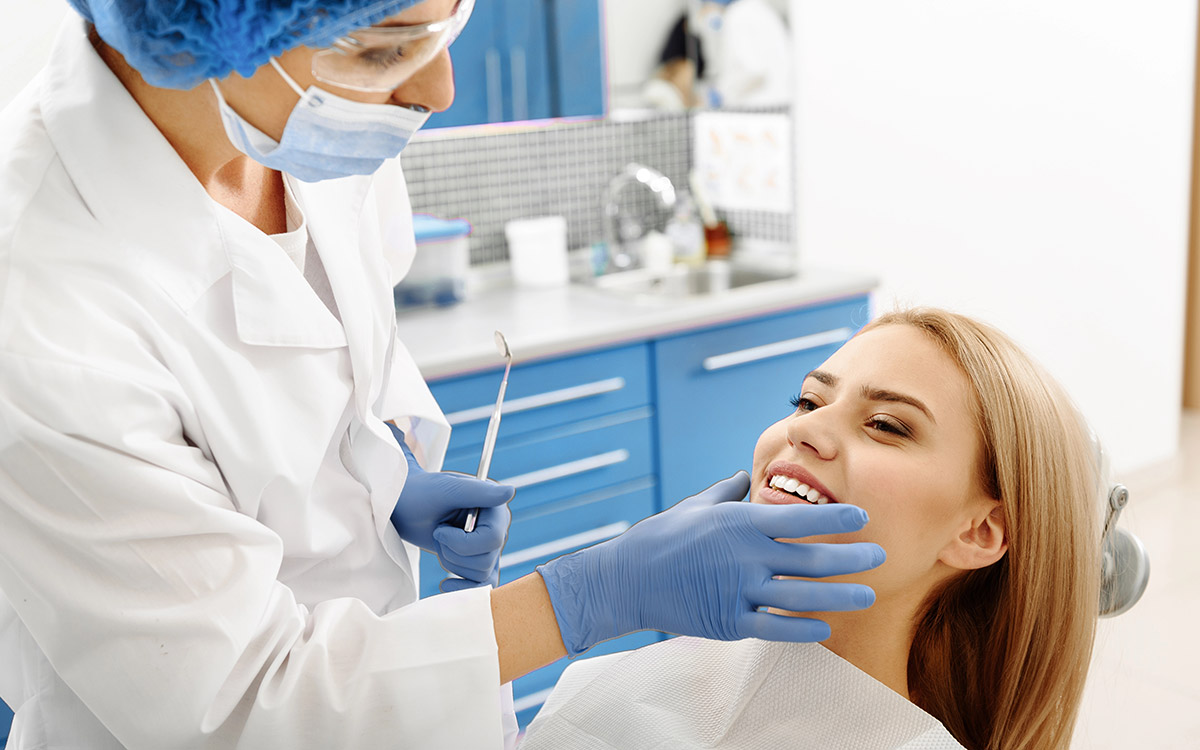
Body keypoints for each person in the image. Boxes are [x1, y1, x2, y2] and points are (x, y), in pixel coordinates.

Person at [0, 0, 886, 747]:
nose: (435, 90)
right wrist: (591, 593)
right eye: (387, 47)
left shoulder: (321, 132)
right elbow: (240, 706)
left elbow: (323, 361)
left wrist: (375, 477)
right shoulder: (39, 297)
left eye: (444, 24)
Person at [521, 308, 1103, 750]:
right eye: (807, 401)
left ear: (979, 531)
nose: (806, 430)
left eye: (884, 425)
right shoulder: (629, 691)